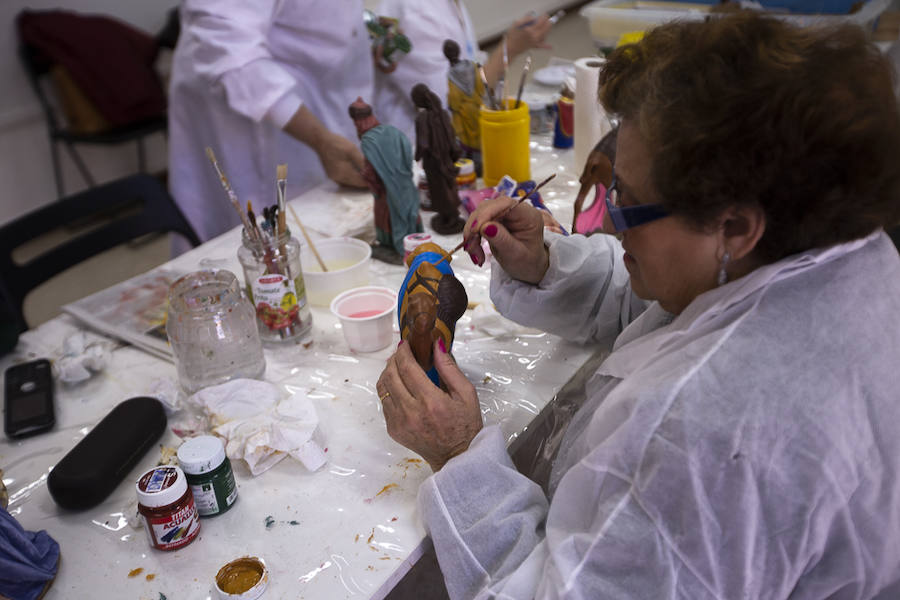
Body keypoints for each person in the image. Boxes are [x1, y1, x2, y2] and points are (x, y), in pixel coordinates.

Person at [376, 13, 900, 599]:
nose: (611, 214)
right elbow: (687, 302)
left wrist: (458, 457)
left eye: (630, 201)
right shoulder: (831, 241)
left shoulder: (703, 437)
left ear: (735, 225)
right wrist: (545, 264)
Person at [168, 0, 373, 243]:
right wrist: (320, 139)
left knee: (317, 232)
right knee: (259, 241)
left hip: (312, 92)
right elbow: (232, 54)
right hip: (250, 108)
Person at [372, 0, 552, 144]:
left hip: (450, 138)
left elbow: (469, 62)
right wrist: (509, 49)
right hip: (420, 150)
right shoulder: (416, 9)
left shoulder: (448, 4)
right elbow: (449, 106)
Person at [348, 97, 422, 264]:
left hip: (387, 188)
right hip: (404, 183)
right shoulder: (392, 131)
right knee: (405, 212)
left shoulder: (369, 140)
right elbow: (407, 153)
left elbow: (374, 170)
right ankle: (403, 242)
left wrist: (368, 175)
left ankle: (399, 247)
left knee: (389, 215)